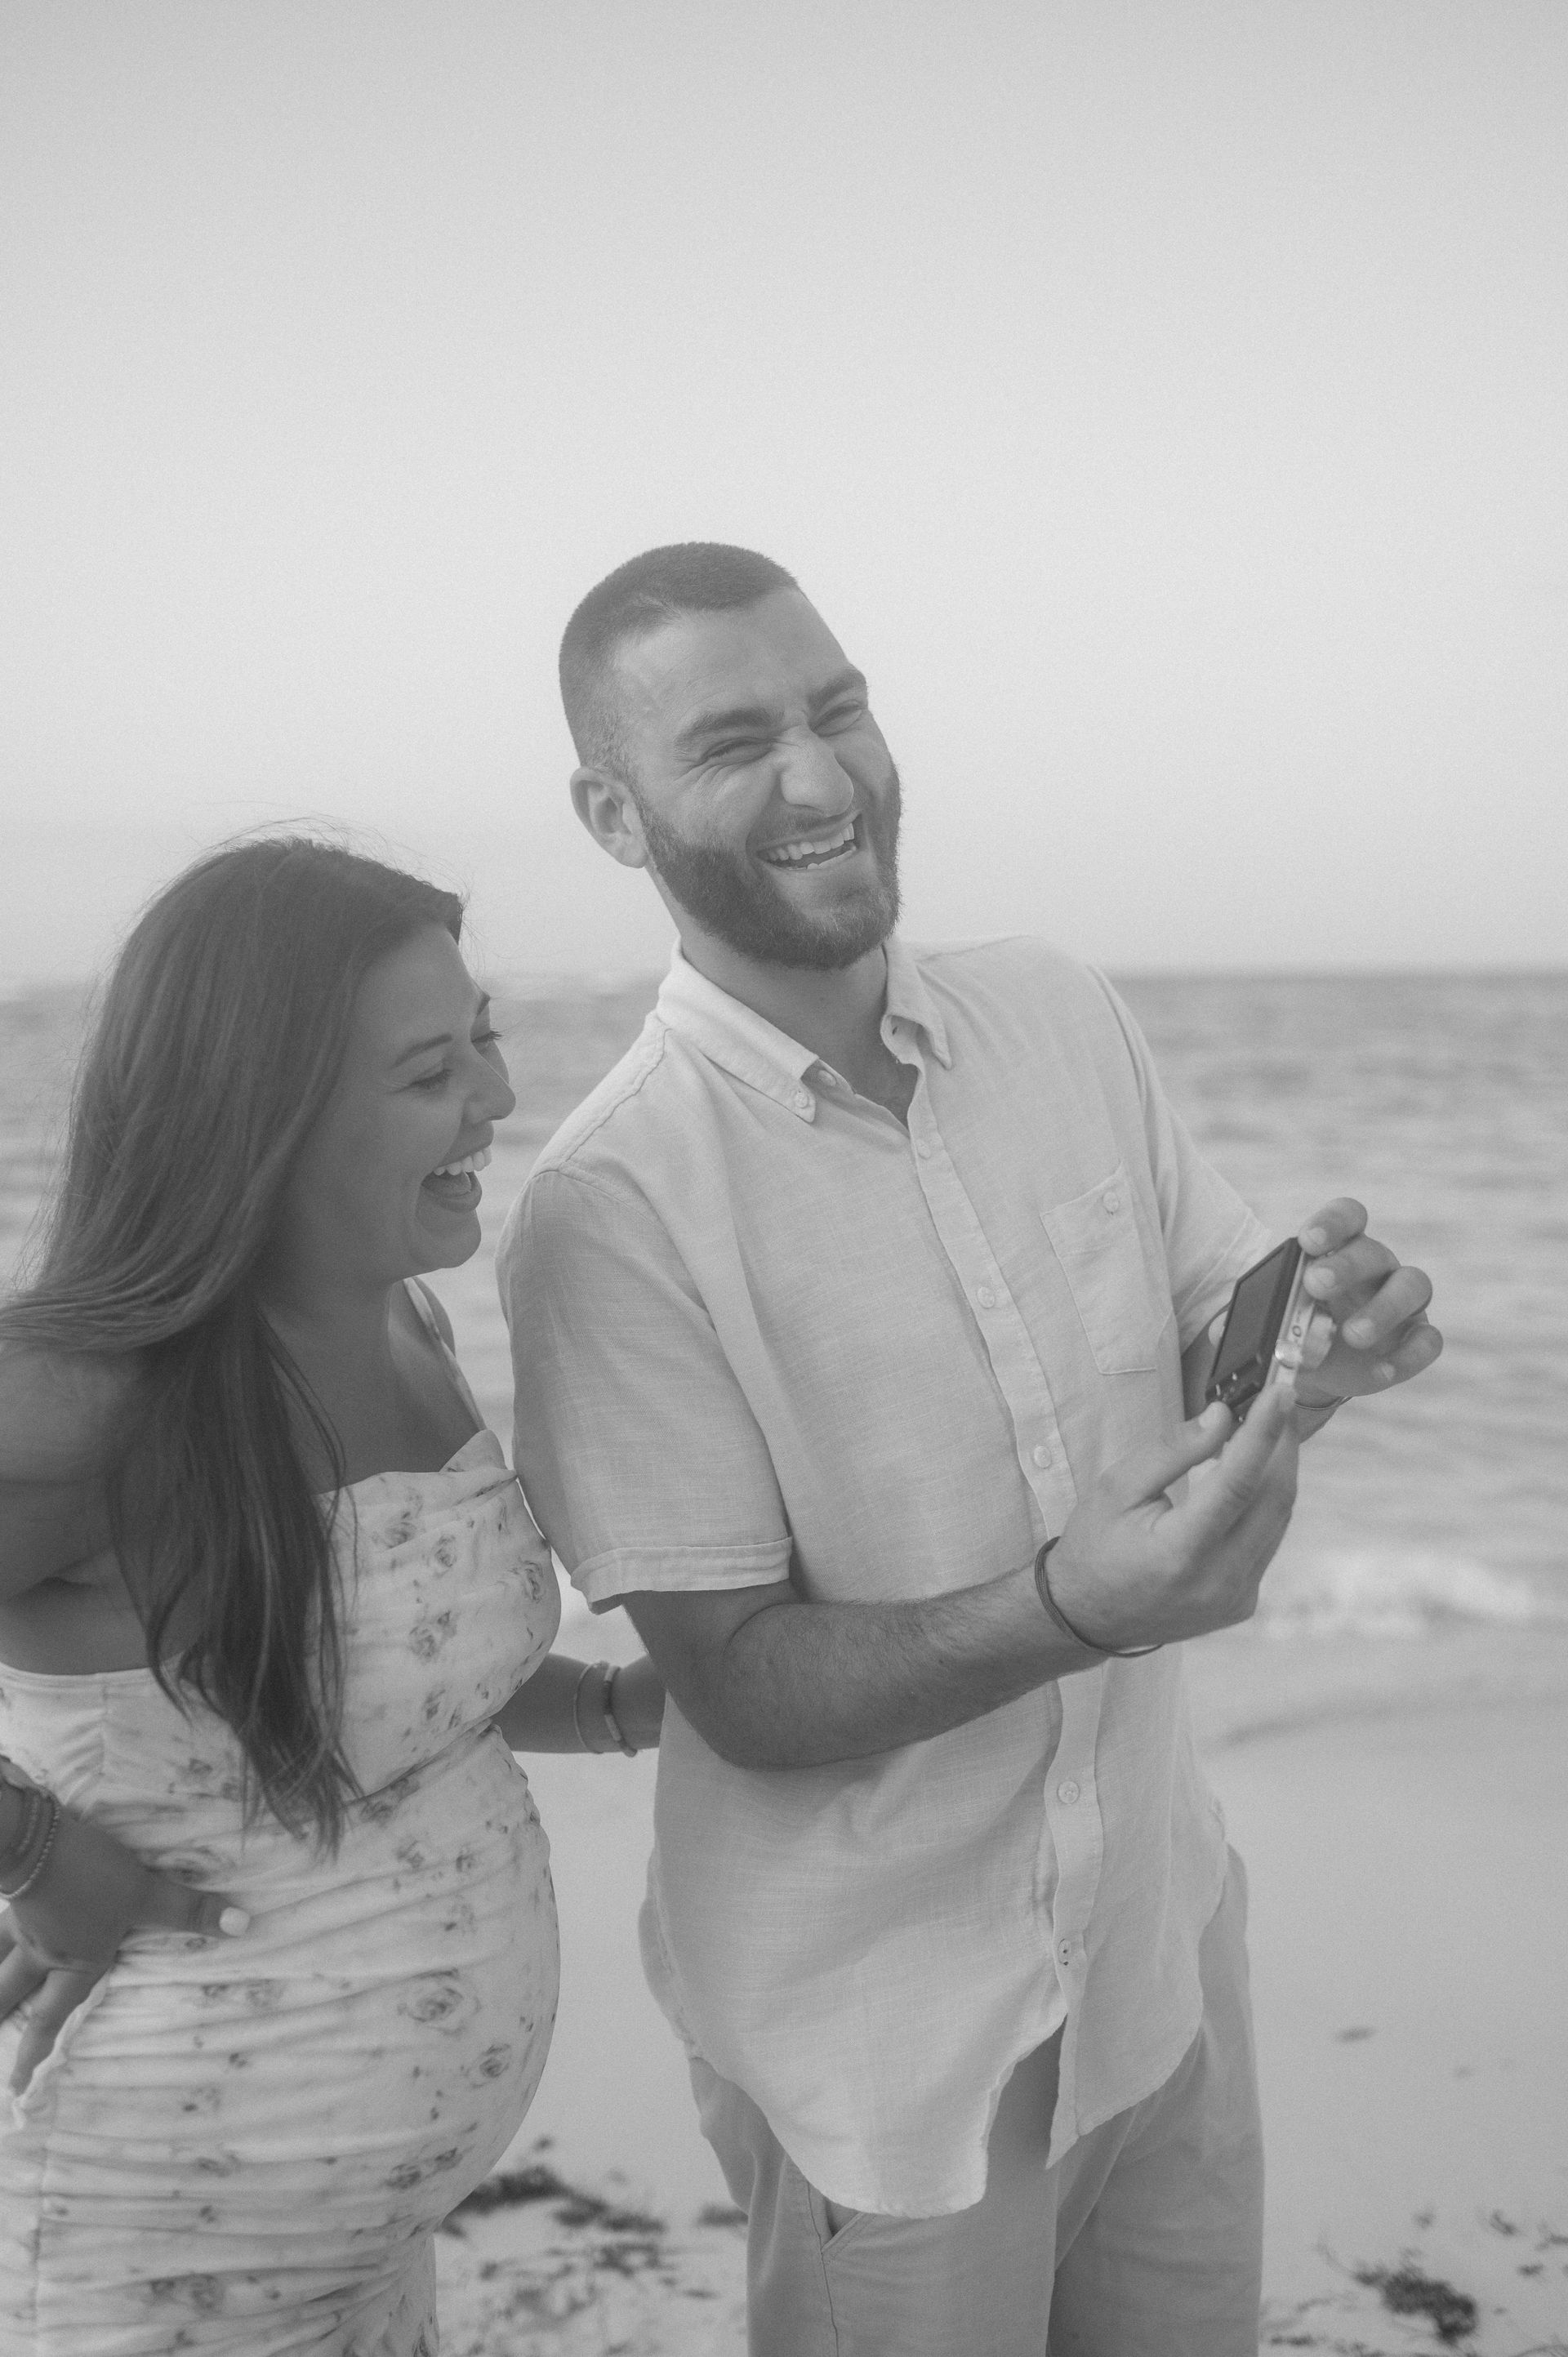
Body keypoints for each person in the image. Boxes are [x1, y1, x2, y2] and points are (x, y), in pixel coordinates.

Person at [500, 543, 1443, 2357]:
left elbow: (1206, 1335)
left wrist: (1316, 1352)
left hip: (1158, 1943)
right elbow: (741, 1688)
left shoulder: (1058, 1007)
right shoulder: (610, 1205)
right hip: (884, 2051)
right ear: (613, 817)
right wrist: (1075, 1608)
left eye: (839, 708)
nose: (822, 776)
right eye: (735, 743)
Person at [0, 837, 662, 2355]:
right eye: (432, 1069)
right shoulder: (84, 1397)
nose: (498, 1094)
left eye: (484, 1037)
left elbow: (388, 1676)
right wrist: (32, 1846)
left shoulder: (406, 1318)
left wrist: (636, 1702)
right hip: (154, 2248)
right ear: (261, 1115)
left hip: (366, 2258)